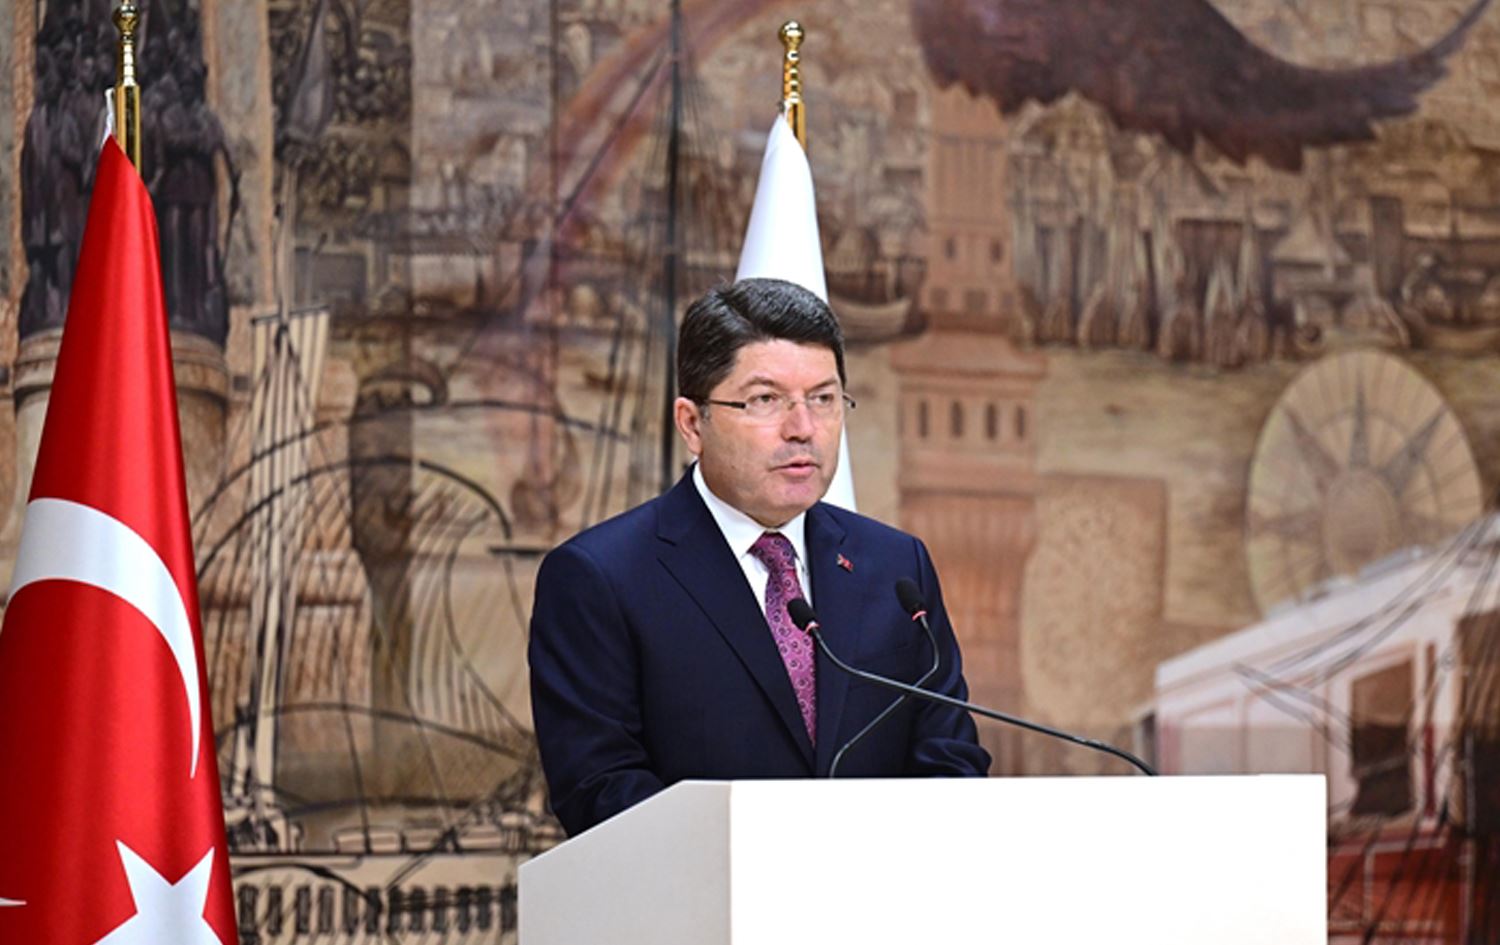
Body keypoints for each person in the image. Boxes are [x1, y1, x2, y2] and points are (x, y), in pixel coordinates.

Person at [528, 278, 990, 837]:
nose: (803, 429)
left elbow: (949, 761)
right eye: (766, 400)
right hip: (702, 887)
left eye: (823, 399)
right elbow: (600, 790)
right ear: (692, 424)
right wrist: (774, 859)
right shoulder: (600, 577)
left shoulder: (895, 567)